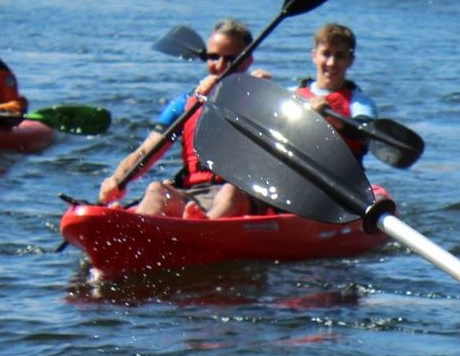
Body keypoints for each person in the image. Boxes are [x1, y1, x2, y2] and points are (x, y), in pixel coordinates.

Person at [98, 19, 263, 218]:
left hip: (242, 196)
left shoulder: (259, 97)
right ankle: (137, 230)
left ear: (247, 61)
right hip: (194, 194)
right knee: (156, 189)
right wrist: (116, 179)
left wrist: (249, 91)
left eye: (230, 59)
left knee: (229, 193)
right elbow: (146, 152)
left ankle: (201, 229)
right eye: (213, 57)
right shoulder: (184, 104)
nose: (220, 65)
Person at [295, 22, 375, 159]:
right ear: (314, 56)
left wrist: (328, 116)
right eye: (325, 54)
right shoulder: (293, 94)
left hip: (342, 174)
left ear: (350, 60)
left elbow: (365, 133)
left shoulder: (360, 102)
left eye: (339, 56)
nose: (331, 63)